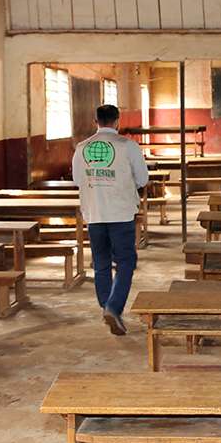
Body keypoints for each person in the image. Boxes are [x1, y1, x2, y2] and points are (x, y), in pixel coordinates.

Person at [72, 104, 149, 336]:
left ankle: (106, 305)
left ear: (95, 121)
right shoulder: (128, 146)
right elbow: (142, 179)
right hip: (121, 213)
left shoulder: (82, 147)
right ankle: (113, 307)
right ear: (117, 121)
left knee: (101, 262)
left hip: (94, 213)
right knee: (126, 262)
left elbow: (78, 180)